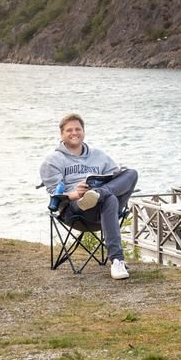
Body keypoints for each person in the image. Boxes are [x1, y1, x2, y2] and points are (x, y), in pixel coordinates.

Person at [38, 112, 139, 280]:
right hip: (76, 209)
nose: (74, 133)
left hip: (102, 205)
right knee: (111, 198)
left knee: (131, 174)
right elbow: (55, 195)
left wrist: (99, 187)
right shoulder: (52, 160)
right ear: (61, 134)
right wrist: (75, 193)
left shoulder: (99, 155)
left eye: (78, 129)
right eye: (69, 130)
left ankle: (99, 193)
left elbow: (115, 177)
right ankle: (117, 260)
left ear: (83, 131)